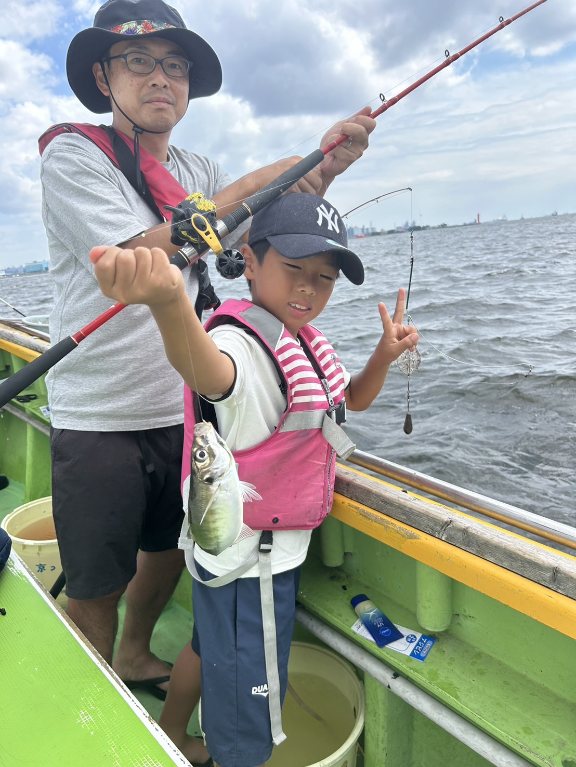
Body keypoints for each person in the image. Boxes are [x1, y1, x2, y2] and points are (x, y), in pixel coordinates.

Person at [40, 0, 374, 762]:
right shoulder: (72, 155)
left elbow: (259, 238)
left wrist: (321, 170)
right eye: (139, 61)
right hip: (100, 413)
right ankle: (98, 718)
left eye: (176, 66)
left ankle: (133, 652)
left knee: (168, 550)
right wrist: (259, 180)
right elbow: (143, 251)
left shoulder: (196, 172)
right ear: (103, 76)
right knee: (95, 580)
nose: (161, 78)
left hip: (188, 411)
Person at [90, 191, 419, 767]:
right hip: (252, 563)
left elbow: (353, 400)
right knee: (247, 719)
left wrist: (383, 358)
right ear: (249, 260)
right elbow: (208, 371)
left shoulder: (302, 341)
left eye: (324, 278)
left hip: (229, 551)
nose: (308, 289)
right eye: (293, 268)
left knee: (207, 645)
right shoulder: (236, 343)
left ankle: (174, 736)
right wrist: (169, 303)